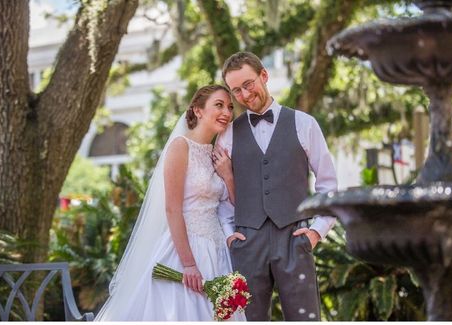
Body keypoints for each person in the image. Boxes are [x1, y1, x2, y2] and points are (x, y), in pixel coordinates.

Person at [95, 85, 245, 321]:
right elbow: (172, 208)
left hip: (216, 252)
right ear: (198, 110)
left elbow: (236, 207)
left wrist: (228, 174)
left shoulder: (218, 154)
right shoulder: (180, 147)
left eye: (229, 107)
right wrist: (189, 265)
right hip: (184, 249)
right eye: (218, 105)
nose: (226, 112)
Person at [217, 51, 338, 321]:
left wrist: (317, 232)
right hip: (247, 242)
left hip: (295, 239)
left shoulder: (304, 123)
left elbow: (328, 185)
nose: (245, 95)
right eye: (236, 90)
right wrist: (228, 234)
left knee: (304, 318)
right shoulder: (227, 134)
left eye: (248, 84)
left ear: (264, 75)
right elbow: (222, 193)